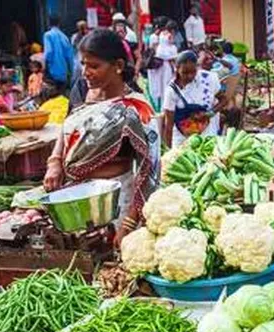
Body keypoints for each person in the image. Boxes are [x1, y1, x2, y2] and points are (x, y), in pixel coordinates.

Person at [45, 28, 156, 246]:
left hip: (115, 201)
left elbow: (150, 168)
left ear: (118, 66)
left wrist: (129, 223)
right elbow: (66, 127)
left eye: (94, 66)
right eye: (84, 64)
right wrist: (55, 162)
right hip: (74, 198)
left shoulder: (136, 108)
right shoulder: (81, 90)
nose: (86, 72)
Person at [161, 50, 224, 150]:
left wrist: (210, 113)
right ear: (177, 69)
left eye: (193, 72)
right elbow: (168, 124)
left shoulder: (208, 79)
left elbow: (224, 99)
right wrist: (168, 151)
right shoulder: (171, 91)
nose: (190, 76)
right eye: (185, 73)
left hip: (207, 138)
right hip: (182, 141)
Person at [147, 20, 180, 107]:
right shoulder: (169, 36)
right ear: (173, 30)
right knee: (167, 84)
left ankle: (162, 104)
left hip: (161, 62)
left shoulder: (162, 34)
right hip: (167, 64)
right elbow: (172, 53)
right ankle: (167, 104)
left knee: (161, 86)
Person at [44, 15, 74, 86]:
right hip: (64, 72)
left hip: (52, 71)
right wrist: (70, 72)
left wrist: (45, 67)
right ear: (59, 23)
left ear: (49, 23)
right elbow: (70, 56)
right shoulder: (64, 36)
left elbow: (48, 52)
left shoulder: (48, 35)